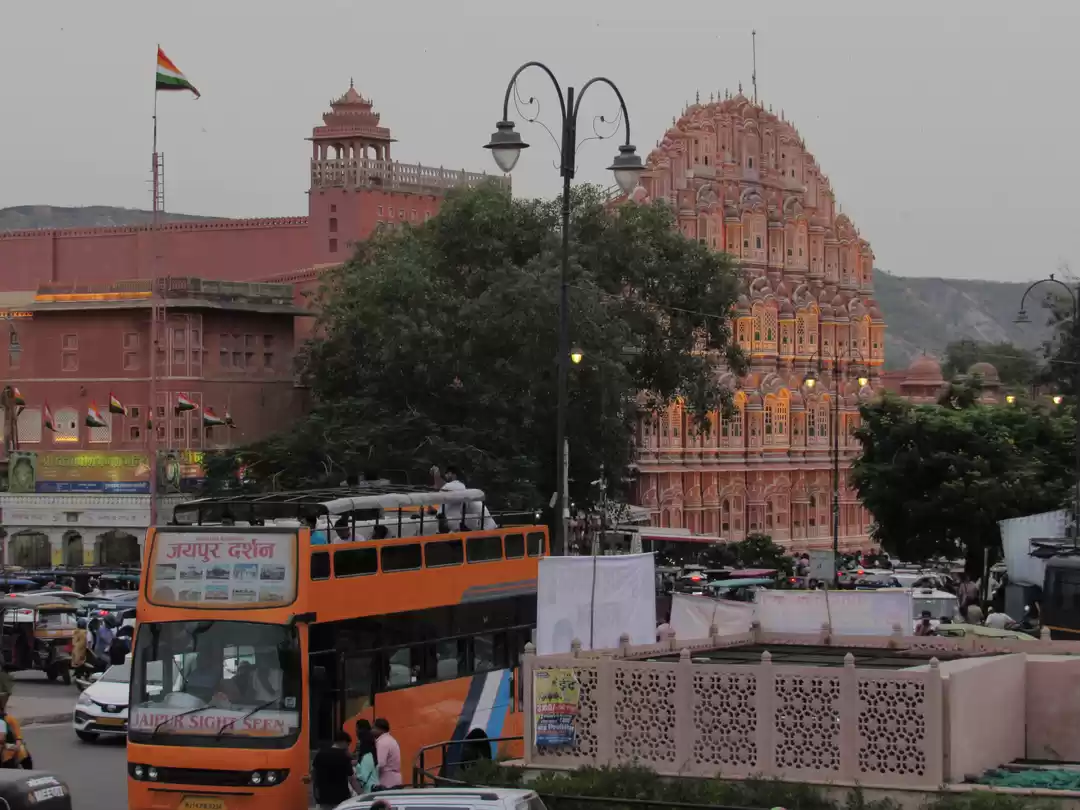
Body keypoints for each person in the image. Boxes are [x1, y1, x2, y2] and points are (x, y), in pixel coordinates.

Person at [312, 730, 359, 808]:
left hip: (324, 795)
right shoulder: (344, 757)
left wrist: (316, 791)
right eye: (348, 744)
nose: (348, 747)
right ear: (344, 742)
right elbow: (352, 779)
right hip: (341, 796)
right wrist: (361, 793)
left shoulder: (320, 754)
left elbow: (314, 774)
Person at [372, 717, 402, 789]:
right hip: (395, 780)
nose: (371, 731)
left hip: (387, 782)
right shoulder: (390, 739)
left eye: (373, 728)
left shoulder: (382, 742)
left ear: (380, 729)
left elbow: (380, 763)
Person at [354, 724, 379, 794]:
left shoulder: (367, 757)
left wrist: (355, 775)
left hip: (368, 791)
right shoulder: (372, 754)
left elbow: (363, 777)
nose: (358, 743)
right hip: (373, 788)